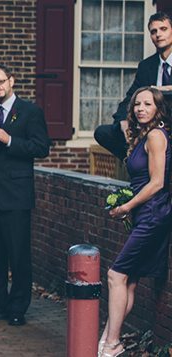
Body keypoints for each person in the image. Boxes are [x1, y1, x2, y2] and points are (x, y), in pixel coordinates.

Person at [0, 64, 50, 327]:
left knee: (18, 254)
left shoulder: (30, 111)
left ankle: (17, 307)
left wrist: (10, 140)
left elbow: (41, 148)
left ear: (11, 81)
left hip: (16, 196)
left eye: (1, 82)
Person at [100, 87, 172, 357]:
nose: (141, 108)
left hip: (154, 214)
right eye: (137, 104)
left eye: (148, 104)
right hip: (145, 212)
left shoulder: (155, 135)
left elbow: (157, 182)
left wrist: (127, 206)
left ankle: (112, 342)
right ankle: (110, 337)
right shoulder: (141, 136)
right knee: (128, 282)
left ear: (158, 109)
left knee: (115, 275)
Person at [94, 12, 172, 160]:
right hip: (148, 127)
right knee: (103, 132)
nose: (158, 35)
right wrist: (124, 122)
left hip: (168, 127)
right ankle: (136, 164)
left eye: (163, 29)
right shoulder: (147, 66)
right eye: (153, 31)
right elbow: (131, 98)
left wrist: (166, 89)